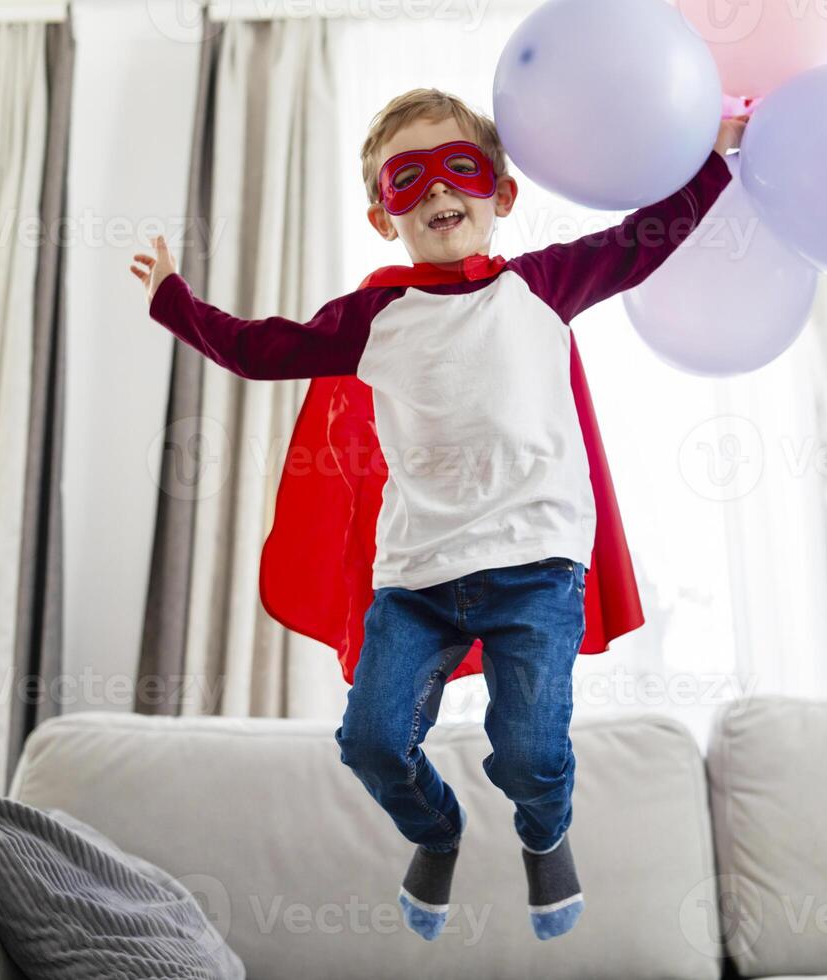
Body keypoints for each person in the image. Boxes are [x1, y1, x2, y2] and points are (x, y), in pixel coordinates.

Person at [132, 88, 743, 943]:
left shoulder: (543, 286)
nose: (435, 194)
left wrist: (714, 158)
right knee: (374, 741)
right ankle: (437, 830)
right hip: (419, 582)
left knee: (530, 752)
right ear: (385, 217)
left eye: (459, 169)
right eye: (406, 181)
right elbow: (262, 350)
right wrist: (174, 301)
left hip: (537, 568)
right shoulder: (375, 319)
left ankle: (544, 831)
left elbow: (644, 241)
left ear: (500, 193)